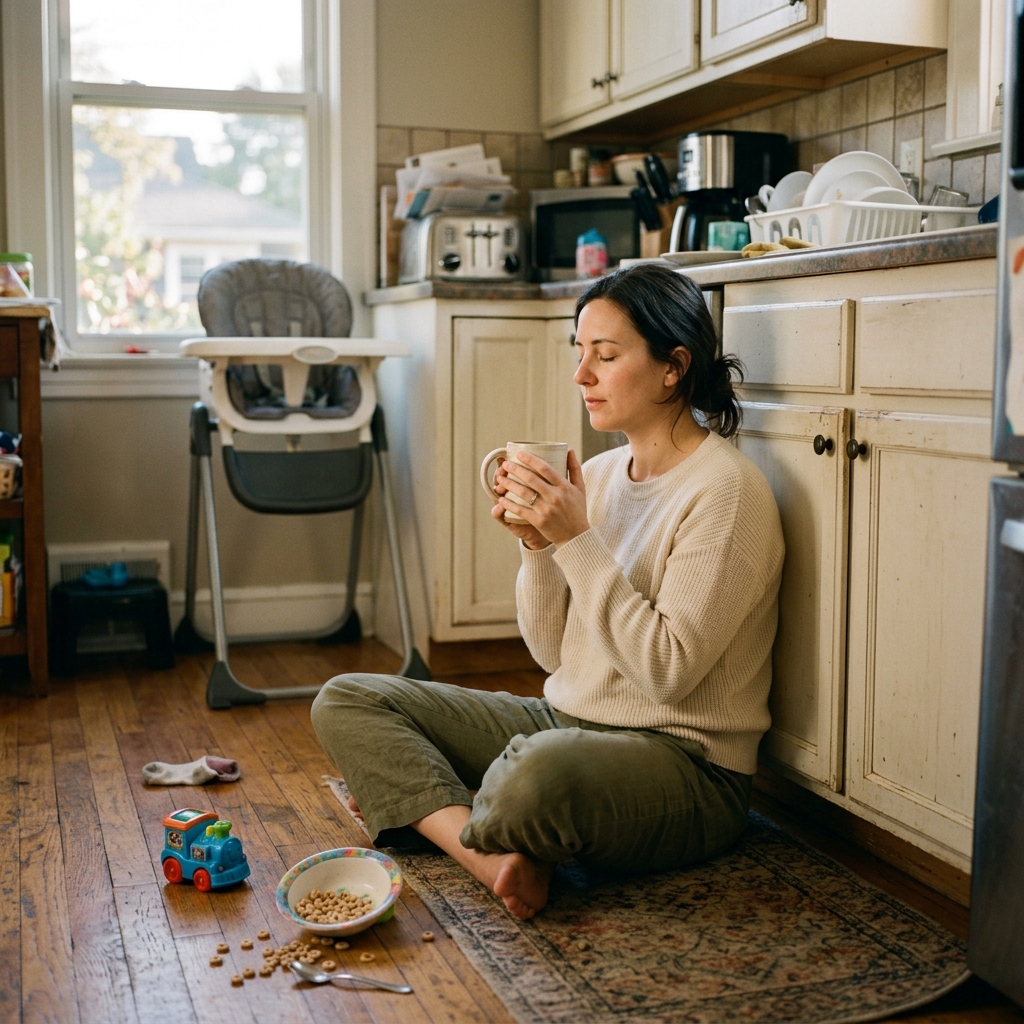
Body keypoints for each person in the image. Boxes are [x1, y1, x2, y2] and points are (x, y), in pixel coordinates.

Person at [311, 263, 784, 921]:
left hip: (687, 765)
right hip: (567, 721)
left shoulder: (726, 492)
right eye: (579, 352)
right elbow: (553, 661)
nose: (581, 374)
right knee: (349, 698)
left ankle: (426, 804)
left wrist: (574, 539)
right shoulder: (597, 474)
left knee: (538, 773)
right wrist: (538, 547)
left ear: (673, 366)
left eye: (606, 355)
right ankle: (488, 851)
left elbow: (668, 674)